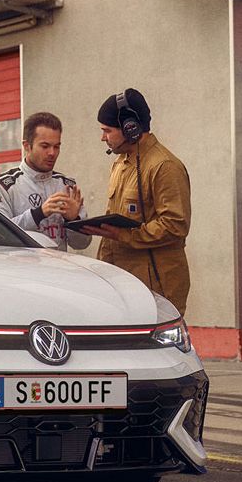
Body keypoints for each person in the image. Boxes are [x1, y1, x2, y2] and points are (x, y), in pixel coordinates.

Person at [83, 88, 191, 315]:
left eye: (107, 130)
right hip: (123, 282)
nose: (103, 137)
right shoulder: (120, 164)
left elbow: (175, 225)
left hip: (157, 285)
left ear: (130, 128)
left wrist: (124, 235)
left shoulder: (164, 166)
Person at [0, 111, 90, 252]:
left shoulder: (67, 185)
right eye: (45, 146)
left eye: (57, 146)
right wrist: (38, 214)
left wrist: (73, 220)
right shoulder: (2, 186)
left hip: (60, 270)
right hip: (21, 271)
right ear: (27, 146)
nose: (52, 153)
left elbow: (82, 244)